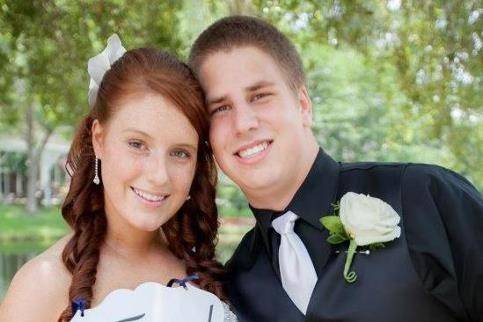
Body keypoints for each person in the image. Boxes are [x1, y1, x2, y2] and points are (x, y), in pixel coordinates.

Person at [189, 16, 483, 322]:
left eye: (260, 96)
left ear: (303, 105)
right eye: (220, 108)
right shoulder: (236, 283)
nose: (244, 123)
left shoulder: (423, 195)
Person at [0, 35, 236, 322]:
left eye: (180, 153)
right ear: (99, 139)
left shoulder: (209, 272)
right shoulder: (41, 285)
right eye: (137, 144)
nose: (159, 175)